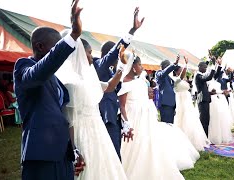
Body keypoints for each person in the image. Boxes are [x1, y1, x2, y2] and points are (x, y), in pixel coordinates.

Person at [13, 1, 84, 179]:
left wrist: (73, 149)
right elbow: (39, 72)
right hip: (41, 154)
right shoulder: (24, 67)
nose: (59, 55)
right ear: (40, 47)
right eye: (56, 46)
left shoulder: (55, 77)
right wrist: (72, 36)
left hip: (63, 154)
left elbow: (61, 116)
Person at [55, 35, 128, 179]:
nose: (91, 56)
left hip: (98, 129)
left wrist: (121, 66)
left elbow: (110, 86)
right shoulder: (69, 83)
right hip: (82, 133)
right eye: (89, 53)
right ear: (79, 53)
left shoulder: (90, 77)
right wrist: (73, 149)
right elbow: (69, 119)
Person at [118, 52, 199, 180]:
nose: (142, 67)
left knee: (148, 144)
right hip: (133, 117)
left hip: (146, 117)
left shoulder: (140, 81)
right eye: (139, 65)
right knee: (134, 145)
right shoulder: (124, 82)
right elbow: (122, 105)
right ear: (133, 66)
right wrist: (126, 123)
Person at [93, 7, 144, 160]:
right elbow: (113, 53)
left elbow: (117, 89)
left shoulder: (111, 70)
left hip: (114, 117)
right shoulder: (99, 66)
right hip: (105, 117)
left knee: (116, 154)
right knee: (111, 156)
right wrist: (132, 31)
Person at [172, 56, 208, 151]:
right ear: (176, 71)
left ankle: (192, 140)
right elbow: (181, 76)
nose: (182, 71)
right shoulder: (175, 79)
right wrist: (186, 64)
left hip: (187, 101)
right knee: (183, 119)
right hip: (181, 101)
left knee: (191, 120)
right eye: (180, 70)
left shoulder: (182, 80)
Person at [194, 57, 222, 137]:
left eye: (206, 67)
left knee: (206, 120)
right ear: (199, 67)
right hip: (202, 100)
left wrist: (210, 93)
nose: (206, 69)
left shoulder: (201, 75)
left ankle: (205, 137)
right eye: (204, 67)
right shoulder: (198, 76)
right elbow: (209, 77)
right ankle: (202, 138)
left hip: (206, 99)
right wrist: (213, 66)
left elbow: (203, 89)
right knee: (203, 120)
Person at [156, 56, 180, 124]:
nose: (170, 68)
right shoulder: (159, 73)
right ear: (164, 66)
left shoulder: (170, 77)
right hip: (165, 105)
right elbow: (164, 73)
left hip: (172, 105)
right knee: (166, 127)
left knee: (170, 126)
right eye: (168, 66)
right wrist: (174, 64)